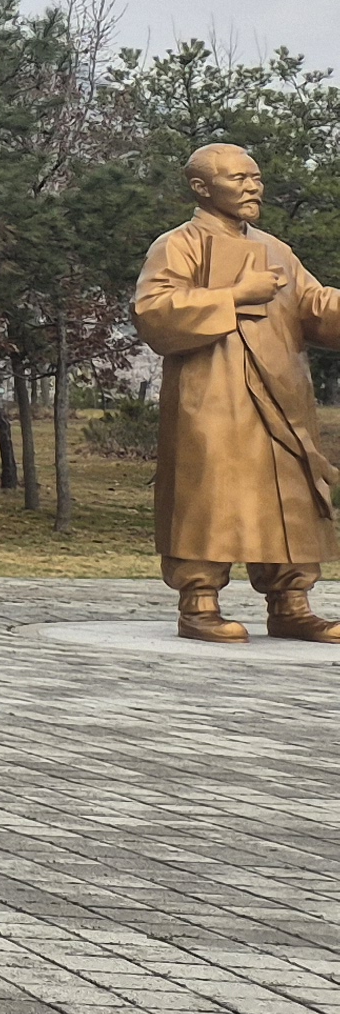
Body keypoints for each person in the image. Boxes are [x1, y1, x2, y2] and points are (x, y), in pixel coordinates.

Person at [128, 143, 340, 643]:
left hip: (282, 396)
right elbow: (153, 313)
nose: (253, 187)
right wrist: (234, 296)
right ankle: (199, 602)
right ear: (201, 187)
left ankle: (291, 602)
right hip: (213, 394)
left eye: (256, 178)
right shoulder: (178, 245)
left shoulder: (277, 250)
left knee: (289, 492)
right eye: (239, 179)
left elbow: (315, 305)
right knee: (209, 491)